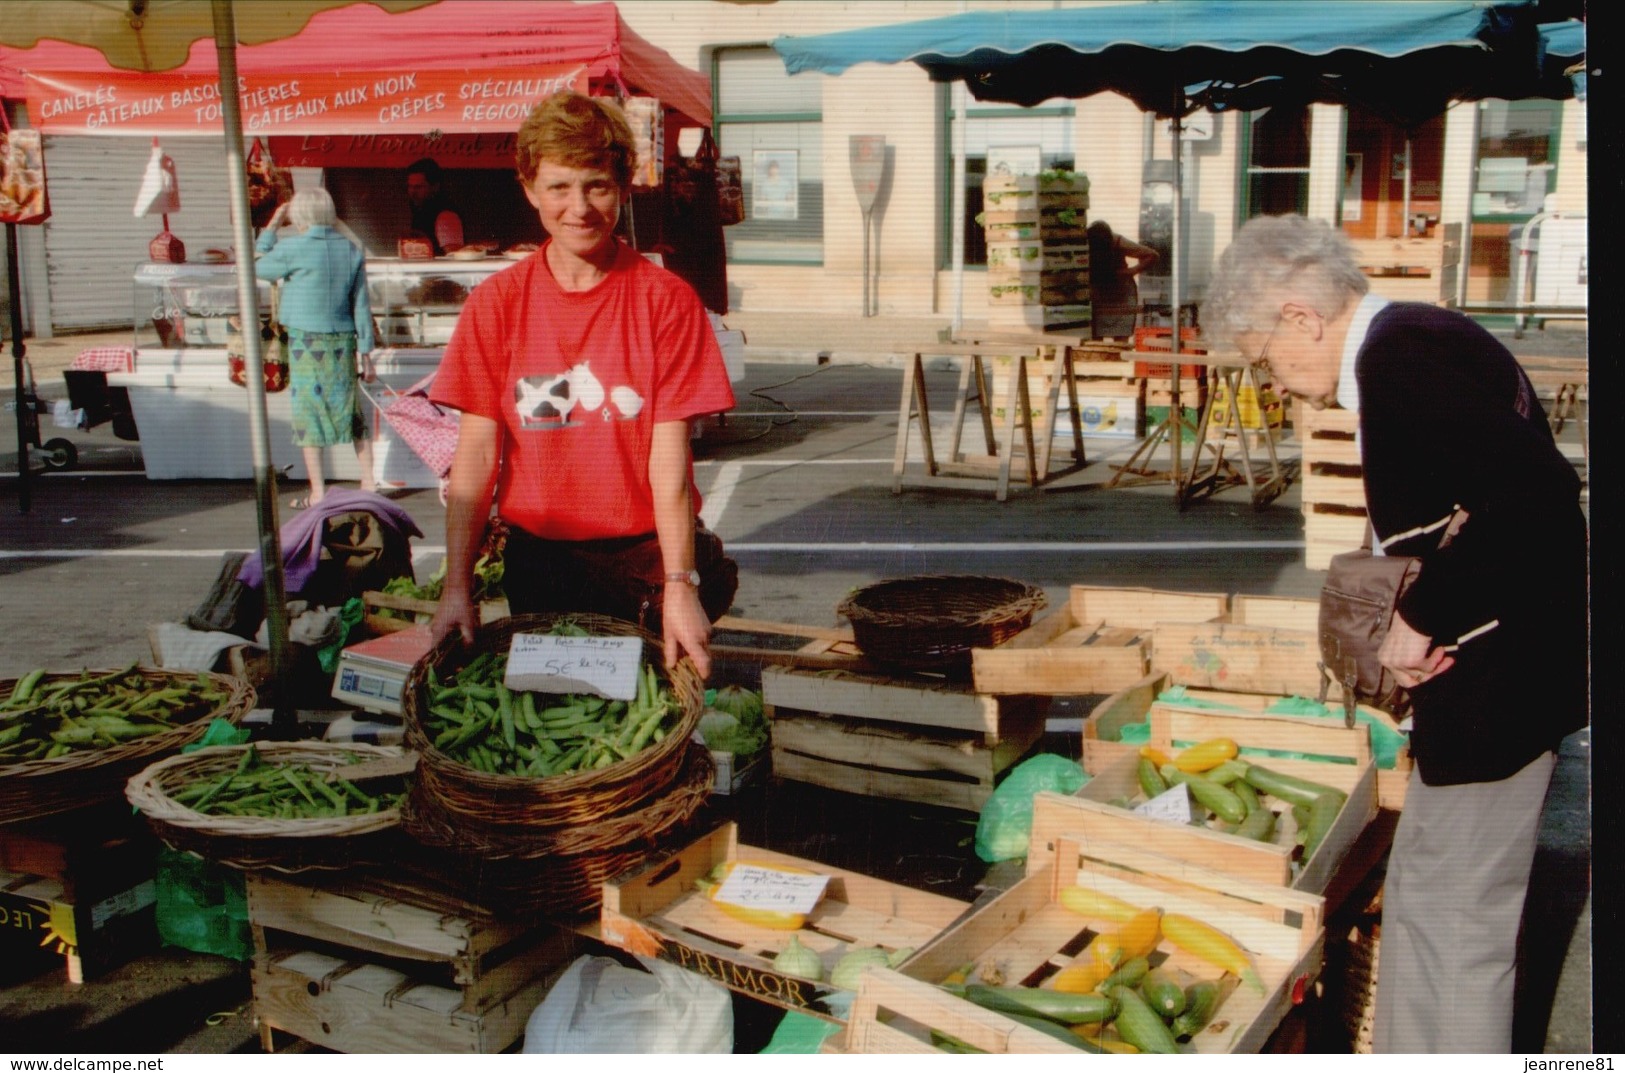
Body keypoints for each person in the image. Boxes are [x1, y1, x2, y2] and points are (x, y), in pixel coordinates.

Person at [1204, 215, 1587, 1054]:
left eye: (1266, 354)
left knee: (1454, 929)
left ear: (1299, 315)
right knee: (1427, 900)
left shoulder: (1399, 362)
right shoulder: (1416, 338)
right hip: (1494, 690)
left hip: (1496, 698)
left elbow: (1538, 502)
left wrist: (1420, 616)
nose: (1276, 379)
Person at [427, 92, 738, 677]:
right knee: (558, 730)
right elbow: (474, 456)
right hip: (540, 564)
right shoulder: (495, 305)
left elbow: (669, 462)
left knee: (648, 714)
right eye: (558, 187)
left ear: (623, 186)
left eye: (596, 185)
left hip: (644, 557)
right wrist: (456, 587)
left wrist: (680, 584)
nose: (579, 207)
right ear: (528, 188)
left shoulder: (665, 301)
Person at [255, 188, 377, 510]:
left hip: (306, 343)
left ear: (299, 216)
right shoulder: (351, 249)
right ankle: (369, 482)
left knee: (308, 414)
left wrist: (270, 228)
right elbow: (362, 306)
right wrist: (366, 354)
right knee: (351, 411)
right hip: (343, 342)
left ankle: (319, 491)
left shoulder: (292, 247)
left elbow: (257, 266)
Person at [1086, 220, 1159, 340]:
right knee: (1094, 338)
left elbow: (1152, 255)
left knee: (1121, 339)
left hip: (1122, 294)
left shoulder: (1117, 241)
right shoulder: (1084, 242)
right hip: (1099, 291)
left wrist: (1131, 271)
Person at [405, 157, 465, 255]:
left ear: (435, 187)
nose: (412, 192)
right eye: (410, 186)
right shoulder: (421, 212)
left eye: (418, 187)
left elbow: (454, 258)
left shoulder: (446, 216)